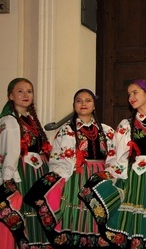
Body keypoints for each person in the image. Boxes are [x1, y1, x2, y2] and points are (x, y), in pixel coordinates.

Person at [79, 79, 146, 248]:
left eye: (135, 92)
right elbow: (117, 156)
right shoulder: (126, 125)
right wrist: (112, 176)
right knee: (140, 222)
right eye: (128, 94)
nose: (131, 97)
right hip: (139, 179)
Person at [24, 89, 115, 247]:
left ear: (94, 106)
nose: (83, 104)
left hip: (99, 179)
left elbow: (114, 156)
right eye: (79, 101)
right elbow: (57, 158)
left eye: (88, 100)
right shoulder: (66, 131)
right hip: (76, 177)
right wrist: (63, 177)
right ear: (74, 106)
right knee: (76, 216)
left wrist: (111, 174)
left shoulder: (107, 131)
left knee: (98, 216)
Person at [0, 78, 53, 248]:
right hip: (22, 173)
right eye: (20, 91)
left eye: (29, 91)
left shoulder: (31, 119)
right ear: (11, 96)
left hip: (38, 172)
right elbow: (9, 152)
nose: (25, 95)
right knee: (24, 212)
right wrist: (8, 179)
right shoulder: (9, 121)